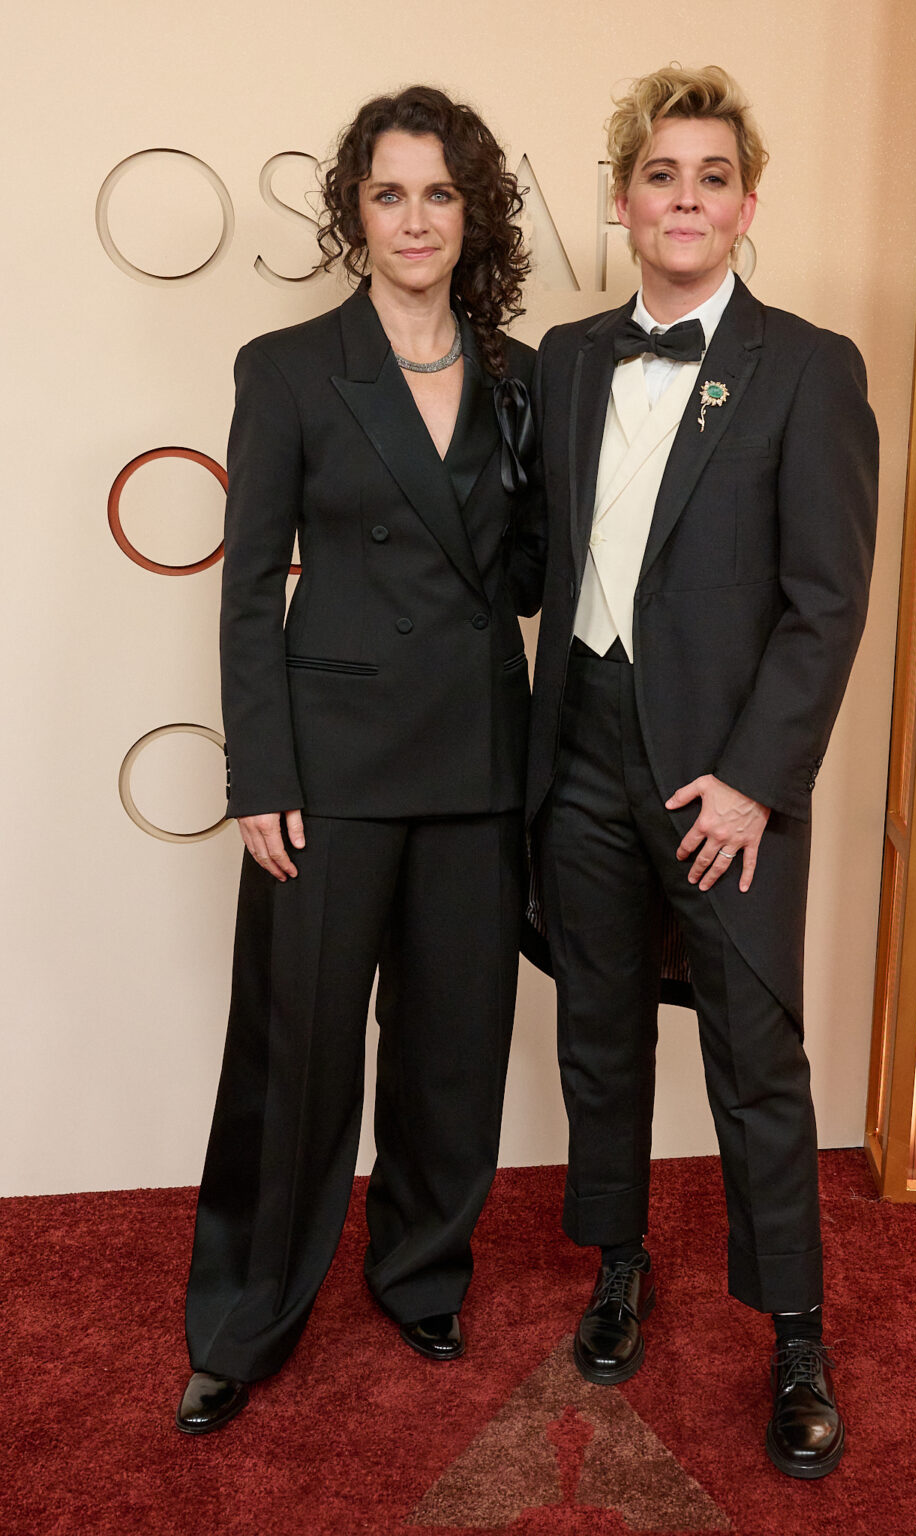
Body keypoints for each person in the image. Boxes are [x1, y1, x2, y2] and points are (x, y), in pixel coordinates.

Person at [525, 65, 878, 1479]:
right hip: (583, 751)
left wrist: (753, 780)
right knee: (599, 1033)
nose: (685, 197)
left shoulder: (808, 366)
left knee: (757, 1057)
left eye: (712, 175)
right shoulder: (561, 361)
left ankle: (794, 1330)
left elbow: (826, 603)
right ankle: (620, 1263)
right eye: (661, 174)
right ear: (623, 201)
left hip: (723, 776)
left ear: (745, 202)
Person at [175, 85, 541, 1435]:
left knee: (456, 1047)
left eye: (439, 192)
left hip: (477, 765)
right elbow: (244, 589)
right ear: (355, 211)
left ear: (473, 211)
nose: (414, 218)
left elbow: (536, 572)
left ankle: (420, 1271)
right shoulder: (286, 367)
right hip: (325, 772)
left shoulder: (520, 374)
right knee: (296, 1056)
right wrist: (257, 773)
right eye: (389, 192)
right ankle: (242, 1318)